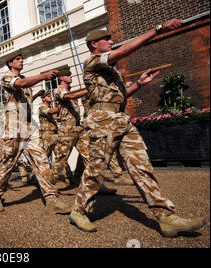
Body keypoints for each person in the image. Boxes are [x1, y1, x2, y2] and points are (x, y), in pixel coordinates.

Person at [70, 19, 206, 237]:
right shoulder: (92, 62)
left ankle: (167, 218)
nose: (111, 41)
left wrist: (141, 83)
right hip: (102, 120)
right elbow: (123, 52)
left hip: (120, 118)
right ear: (94, 45)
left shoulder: (112, 73)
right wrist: (157, 29)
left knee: (141, 166)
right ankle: (78, 211)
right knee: (97, 168)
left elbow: (120, 97)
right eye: (107, 39)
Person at [0, 50, 71, 214]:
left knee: (41, 159)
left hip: (29, 125)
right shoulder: (7, 77)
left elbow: (24, 99)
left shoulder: (24, 79)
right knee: (8, 162)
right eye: (17, 59)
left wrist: (35, 95)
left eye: (22, 58)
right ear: (10, 63)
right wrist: (42, 76)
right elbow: (19, 85)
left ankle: (51, 198)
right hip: (13, 125)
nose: (21, 61)